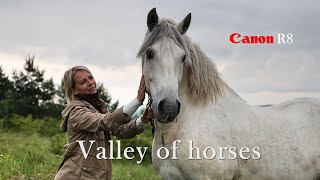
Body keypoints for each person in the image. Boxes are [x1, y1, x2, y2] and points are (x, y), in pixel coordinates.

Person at [54, 66, 154, 180]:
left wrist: (142, 120)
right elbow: (104, 121)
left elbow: (120, 131)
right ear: (74, 90)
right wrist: (137, 101)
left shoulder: (99, 107)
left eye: (90, 78)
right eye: (83, 82)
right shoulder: (76, 112)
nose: (90, 83)